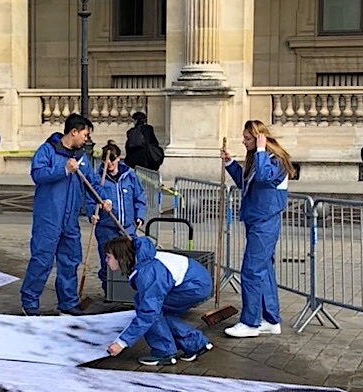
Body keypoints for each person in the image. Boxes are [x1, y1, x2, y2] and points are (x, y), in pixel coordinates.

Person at [20, 113, 112, 316]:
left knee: (70, 259)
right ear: (74, 132)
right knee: (42, 259)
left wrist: (104, 199)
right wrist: (63, 170)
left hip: (70, 219)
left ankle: (68, 302)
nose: (86, 139)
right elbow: (38, 175)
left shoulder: (82, 158)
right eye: (85, 135)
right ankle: (30, 301)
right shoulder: (48, 151)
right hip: (49, 217)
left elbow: (93, 183)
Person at [220, 119, 295, 338]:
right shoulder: (260, 159)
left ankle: (250, 322)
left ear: (259, 138)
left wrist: (261, 149)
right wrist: (230, 163)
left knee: (252, 270)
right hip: (257, 218)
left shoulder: (274, 160)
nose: (243, 142)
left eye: (247, 138)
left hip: (265, 220)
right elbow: (247, 184)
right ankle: (271, 319)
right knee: (264, 270)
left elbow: (263, 179)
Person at [104, 236, 214, 366]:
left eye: (109, 257)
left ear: (120, 257)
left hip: (194, 285)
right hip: (196, 279)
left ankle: (164, 352)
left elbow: (148, 313)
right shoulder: (143, 260)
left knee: (148, 308)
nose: (106, 261)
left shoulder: (149, 273)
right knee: (154, 307)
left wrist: (122, 342)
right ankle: (195, 343)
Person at [85, 140, 146, 293]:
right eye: (105, 160)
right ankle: (109, 291)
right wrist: (93, 213)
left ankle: (127, 292)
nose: (109, 163)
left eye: (112, 159)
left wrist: (139, 216)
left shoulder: (130, 177)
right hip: (106, 228)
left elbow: (139, 197)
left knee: (128, 259)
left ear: (118, 158)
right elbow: (89, 200)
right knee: (107, 260)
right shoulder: (99, 180)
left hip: (126, 227)